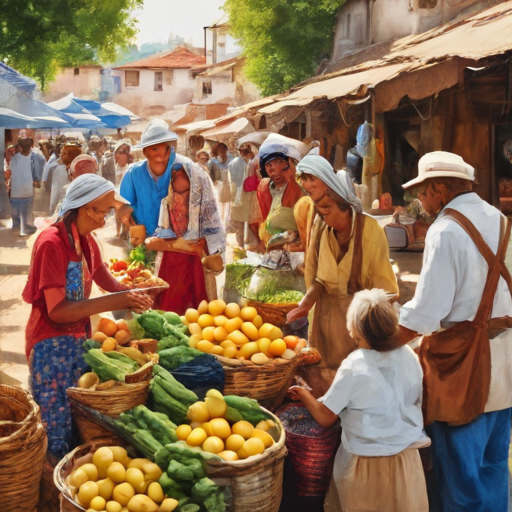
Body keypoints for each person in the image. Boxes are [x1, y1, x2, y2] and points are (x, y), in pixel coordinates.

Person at [396, 151, 512, 512]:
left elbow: (428, 313)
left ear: (440, 189)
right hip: (505, 366)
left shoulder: (445, 229)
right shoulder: (501, 220)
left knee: (460, 478)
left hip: (464, 370)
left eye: (422, 192)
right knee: (493, 465)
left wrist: (383, 341)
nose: (420, 200)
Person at [22, 173, 153, 461]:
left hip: (78, 341)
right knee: (54, 425)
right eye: (104, 211)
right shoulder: (51, 243)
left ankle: (70, 475)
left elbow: (109, 282)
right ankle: (51, 486)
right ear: (85, 208)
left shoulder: (87, 241)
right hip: (49, 345)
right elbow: (57, 310)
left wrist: (138, 290)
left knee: (76, 419)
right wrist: (117, 300)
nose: (106, 219)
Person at [289, 288, 429, 512]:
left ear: (356, 332)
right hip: (406, 460)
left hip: (364, 463)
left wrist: (303, 393)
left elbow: (326, 417)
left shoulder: (355, 364)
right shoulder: (409, 356)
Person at [287, 155, 398, 396]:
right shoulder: (320, 227)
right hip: (325, 323)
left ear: (345, 207)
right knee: (325, 386)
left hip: (358, 329)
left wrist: (370, 338)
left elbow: (384, 293)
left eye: (327, 209)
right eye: (319, 210)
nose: (321, 215)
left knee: (357, 387)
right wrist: (305, 304)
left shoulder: (370, 232)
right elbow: (316, 278)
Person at [120, 119, 226, 310]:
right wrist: (132, 226)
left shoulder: (190, 172)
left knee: (188, 310)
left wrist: (214, 250)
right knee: (147, 306)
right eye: (154, 150)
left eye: (165, 149)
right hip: (146, 251)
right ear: (145, 151)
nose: (161, 156)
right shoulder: (133, 174)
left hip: (184, 256)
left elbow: (211, 216)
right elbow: (123, 207)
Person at [145, 160, 226, 313]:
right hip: (171, 264)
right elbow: (162, 231)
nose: (175, 175)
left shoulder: (202, 202)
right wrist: (157, 242)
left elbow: (212, 234)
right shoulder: (167, 202)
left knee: (199, 309)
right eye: (173, 173)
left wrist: (209, 252)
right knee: (170, 308)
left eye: (180, 172)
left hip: (195, 261)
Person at [257, 134, 305, 250]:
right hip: (273, 248)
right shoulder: (266, 187)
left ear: (289, 164)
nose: (275, 169)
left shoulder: (299, 188)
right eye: (269, 165)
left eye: (280, 162)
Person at [9, 135, 45, 236]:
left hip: (15, 192)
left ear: (19, 146)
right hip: (27, 191)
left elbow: (10, 171)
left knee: (16, 213)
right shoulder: (35, 158)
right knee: (26, 214)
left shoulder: (14, 158)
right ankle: (26, 228)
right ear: (31, 146)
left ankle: (16, 228)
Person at [228, 144, 261, 249]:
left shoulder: (233, 162)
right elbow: (243, 181)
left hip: (235, 194)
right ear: (247, 153)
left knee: (240, 222)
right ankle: (243, 244)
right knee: (243, 221)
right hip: (243, 194)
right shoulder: (245, 164)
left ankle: (241, 243)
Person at [50, 142, 82, 214]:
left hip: (62, 209)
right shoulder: (82, 170)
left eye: (63, 154)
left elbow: (54, 194)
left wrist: (52, 211)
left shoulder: (59, 170)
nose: (60, 156)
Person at [208, 142, 233, 226]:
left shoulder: (229, 158)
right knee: (219, 207)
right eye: (221, 151)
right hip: (217, 186)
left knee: (227, 207)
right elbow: (210, 176)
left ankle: (225, 225)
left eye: (224, 151)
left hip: (228, 186)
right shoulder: (212, 161)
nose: (223, 153)